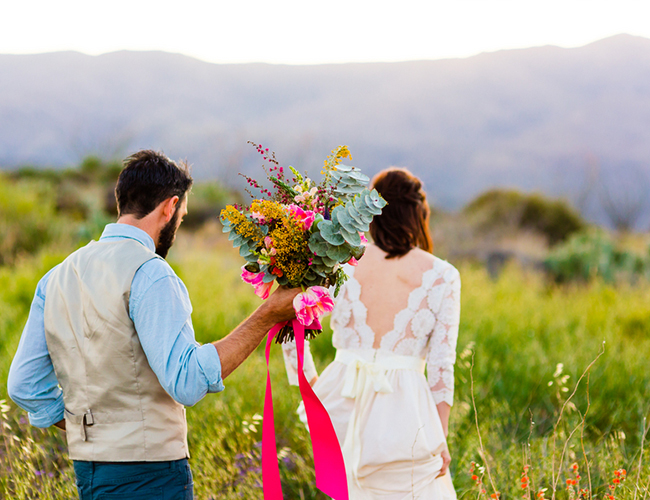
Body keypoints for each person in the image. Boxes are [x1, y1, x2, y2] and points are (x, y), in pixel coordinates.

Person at [7, 150, 299, 499]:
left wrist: (90, 429)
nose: (179, 224)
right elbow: (187, 382)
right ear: (169, 207)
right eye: (183, 214)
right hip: (152, 477)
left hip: (87, 471)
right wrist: (266, 316)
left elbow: (24, 385)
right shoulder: (150, 273)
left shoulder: (56, 277)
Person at [283, 167, 460, 499]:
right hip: (405, 408)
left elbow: (291, 324)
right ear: (419, 214)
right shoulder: (442, 275)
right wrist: (440, 437)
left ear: (371, 212)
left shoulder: (340, 263)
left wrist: (311, 386)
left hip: (341, 398)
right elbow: (441, 365)